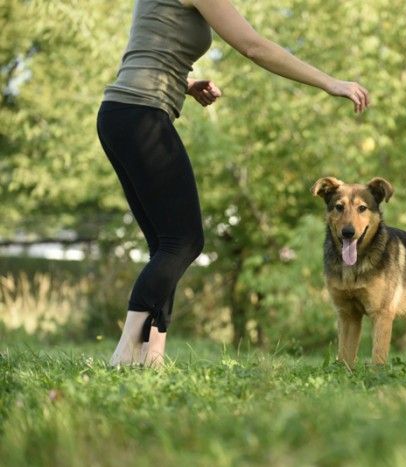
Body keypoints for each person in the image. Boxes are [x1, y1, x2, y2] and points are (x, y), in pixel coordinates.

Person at [97, 0, 369, 367]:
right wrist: (329, 82)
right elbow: (253, 46)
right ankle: (125, 352)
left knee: (165, 243)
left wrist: (184, 84)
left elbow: (147, 50)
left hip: (121, 114)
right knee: (184, 241)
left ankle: (152, 356)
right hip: (141, 115)